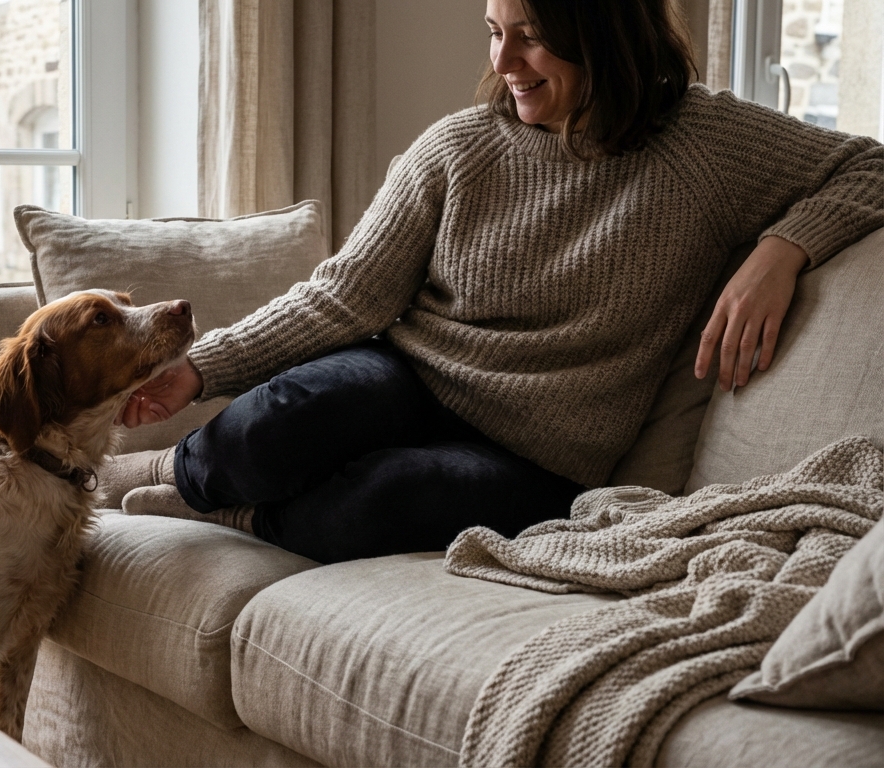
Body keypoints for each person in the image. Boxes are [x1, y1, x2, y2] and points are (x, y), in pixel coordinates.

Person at [106, 0, 884, 565]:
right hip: (407, 376)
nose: (503, 63)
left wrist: (783, 248)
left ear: (604, 36)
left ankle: (237, 511)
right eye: (495, 33)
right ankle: (171, 473)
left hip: (537, 457)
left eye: (531, 39)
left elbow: (868, 165)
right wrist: (200, 369)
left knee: (376, 503)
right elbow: (345, 295)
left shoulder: (707, 142)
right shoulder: (459, 147)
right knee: (288, 415)